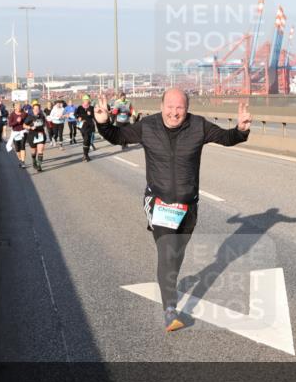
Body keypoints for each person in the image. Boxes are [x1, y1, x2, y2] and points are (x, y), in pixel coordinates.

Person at [95, 88, 252, 332]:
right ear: (161, 106)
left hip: (189, 205)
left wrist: (241, 130)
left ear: (187, 109)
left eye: (179, 108)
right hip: (159, 202)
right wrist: (103, 122)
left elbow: (227, 137)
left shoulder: (198, 126)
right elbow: (117, 136)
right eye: (170, 106)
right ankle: (170, 309)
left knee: (177, 254)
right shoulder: (147, 126)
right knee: (167, 252)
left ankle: (171, 282)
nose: (174, 112)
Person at [26, 100, 48, 171]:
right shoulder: (30, 117)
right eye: (35, 109)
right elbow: (24, 125)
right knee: (33, 151)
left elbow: (44, 124)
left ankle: (39, 165)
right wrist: (30, 127)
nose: (36, 110)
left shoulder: (42, 116)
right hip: (32, 135)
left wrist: (43, 125)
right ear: (33, 109)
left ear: (39, 109)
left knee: (40, 150)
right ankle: (34, 161)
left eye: (37, 109)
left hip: (41, 134)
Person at [75, 95, 97, 162]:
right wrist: (78, 117)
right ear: (83, 100)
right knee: (86, 139)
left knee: (87, 140)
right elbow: (75, 114)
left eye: (87, 100)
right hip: (83, 125)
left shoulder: (91, 108)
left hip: (90, 125)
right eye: (85, 100)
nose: (86, 101)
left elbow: (94, 117)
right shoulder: (80, 107)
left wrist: (91, 114)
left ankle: (86, 155)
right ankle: (85, 155)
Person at [5, 103, 28, 168]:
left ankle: (23, 162)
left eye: (20, 106)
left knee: (22, 146)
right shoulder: (12, 115)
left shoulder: (24, 114)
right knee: (17, 149)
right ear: (14, 107)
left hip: (23, 132)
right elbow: (10, 124)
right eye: (17, 106)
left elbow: (29, 120)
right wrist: (17, 122)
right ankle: (20, 160)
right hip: (15, 133)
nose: (19, 107)